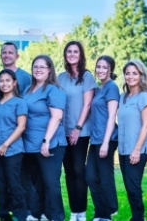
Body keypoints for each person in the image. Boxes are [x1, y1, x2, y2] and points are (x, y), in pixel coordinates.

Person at [23, 55, 67, 221]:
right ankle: (41, 214)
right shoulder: (27, 90)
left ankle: (56, 216)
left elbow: (56, 117)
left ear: (50, 69)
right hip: (30, 145)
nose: (38, 69)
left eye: (42, 67)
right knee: (37, 183)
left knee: (51, 183)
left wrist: (46, 142)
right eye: (35, 66)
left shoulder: (54, 90)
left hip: (50, 144)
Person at [57, 41, 96, 221]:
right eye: (69, 51)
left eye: (75, 51)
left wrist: (77, 128)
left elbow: (88, 104)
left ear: (81, 55)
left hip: (81, 131)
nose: (72, 54)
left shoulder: (87, 77)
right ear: (65, 54)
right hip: (63, 132)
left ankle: (82, 210)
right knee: (68, 172)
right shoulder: (60, 77)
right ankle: (74, 212)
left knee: (79, 170)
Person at [0, 69, 28, 221]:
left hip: (12, 150)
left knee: (13, 183)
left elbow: (21, 126)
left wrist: (6, 144)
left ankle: (19, 214)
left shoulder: (19, 102)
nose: (4, 84)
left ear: (14, 82)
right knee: (0, 184)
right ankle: (2, 214)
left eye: (8, 80)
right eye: (1, 80)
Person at [118, 59, 147, 221]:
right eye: (127, 73)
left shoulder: (144, 97)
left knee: (133, 185)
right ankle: (137, 216)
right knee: (129, 186)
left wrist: (137, 149)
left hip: (137, 149)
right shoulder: (123, 97)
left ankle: (139, 217)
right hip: (124, 149)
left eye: (134, 73)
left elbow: (146, 125)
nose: (130, 76)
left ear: (141, 75)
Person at [86, 55, 119, 221]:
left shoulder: (111, 87)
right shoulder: (99, 89)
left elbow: (112, 116)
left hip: (107, 139)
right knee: (90, 175)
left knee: (105, 176)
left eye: (104, 67)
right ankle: (101, 212)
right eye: (98, 66)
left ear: (110, 69)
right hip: (95, 139)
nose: (100, 70)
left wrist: (106, 142)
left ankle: (108, 212)